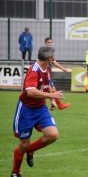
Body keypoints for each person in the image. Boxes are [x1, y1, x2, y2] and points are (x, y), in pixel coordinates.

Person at [11, 46, 65, 177]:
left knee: (53, 135)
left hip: (40, 109)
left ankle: (31, 150)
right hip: (26, 110)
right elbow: (30, 92)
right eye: (53, 57)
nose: (53, 59)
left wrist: (51, 99)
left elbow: (46, 85)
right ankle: (15, 171)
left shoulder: (46, 68)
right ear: (49, 58)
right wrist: (51, 96)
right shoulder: (34, 70)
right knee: (23, 143)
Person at [44, 37, 70, 110]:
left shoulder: (50, 52)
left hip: (47, 73)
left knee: (52, 89)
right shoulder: (43, 52)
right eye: (48, 42)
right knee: (50, 90)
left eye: (51, 42)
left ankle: (58, 104)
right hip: (44, 73)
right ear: (45, 43)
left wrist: (62, 68)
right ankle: (55, 104)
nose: (50, 43)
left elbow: (54, 62)